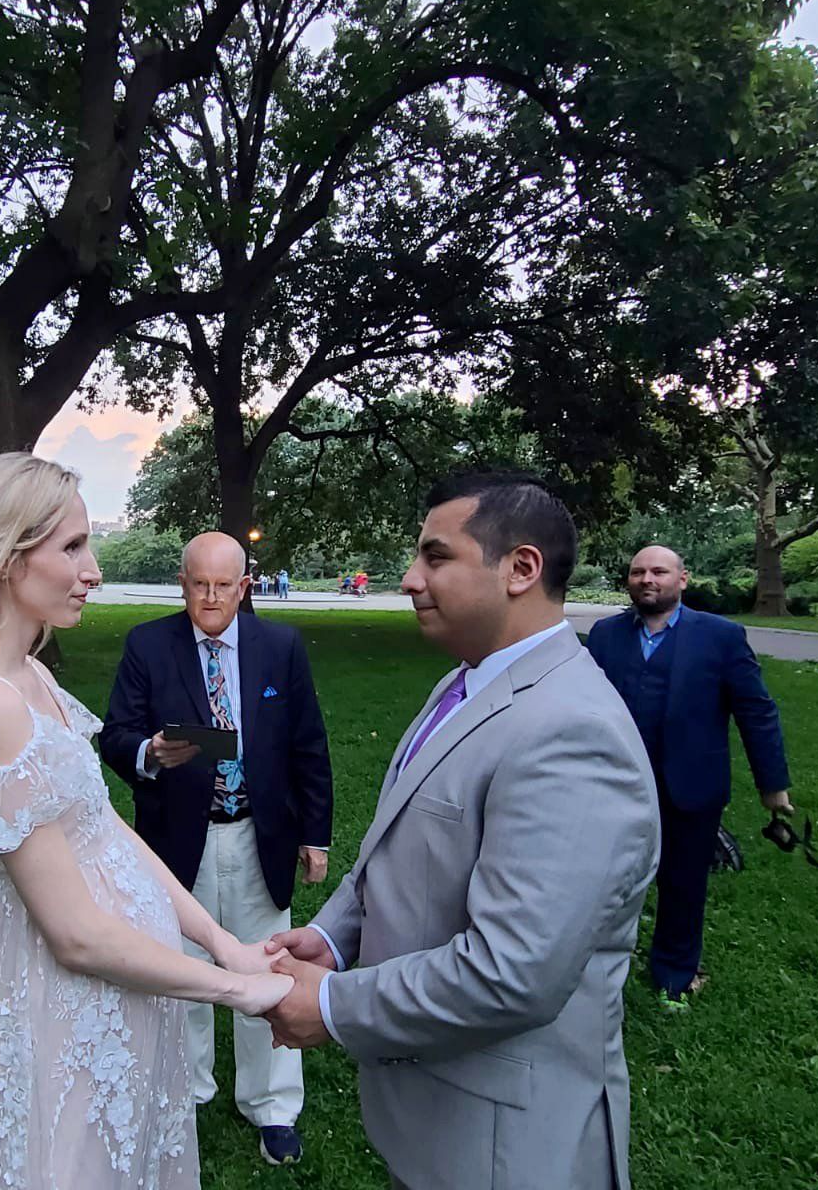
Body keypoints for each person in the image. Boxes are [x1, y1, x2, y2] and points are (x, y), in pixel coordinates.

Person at [0, 455, 292, 1190]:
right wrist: (234, 990)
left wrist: (226, 944)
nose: (92, 570)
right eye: (72, 548)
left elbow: (104, 829)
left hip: (117, 978)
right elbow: (73, 935)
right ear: (2, 556)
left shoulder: (30, 673)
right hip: (43, 988)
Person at [265, 471, 660, 1190]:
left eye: (436, 557)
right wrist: (332, 936)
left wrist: (328, 1004)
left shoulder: (571, 733)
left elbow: (513, 974)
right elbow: (404, 843)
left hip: (506, 1144)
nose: (411, 580)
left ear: (521, 569)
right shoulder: (464, 683)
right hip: (439, 1119)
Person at [100, 532, 333, 1167]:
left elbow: (308, 743)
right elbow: (114, 734)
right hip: (179, 841)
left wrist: (316, 834)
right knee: (185, 968)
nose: (210, 597)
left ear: (244, 586)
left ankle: (273, 1105)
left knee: (267, 965)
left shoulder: (278, 647)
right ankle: (187, 1088)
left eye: (222, 585)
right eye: (198, 584)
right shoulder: (149, 643)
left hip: (262, 834)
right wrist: (149, 751)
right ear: (182, 583)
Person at [586, 545, 793, 1006]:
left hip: (692, 784)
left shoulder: (721, 636)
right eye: (637, 571)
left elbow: (756, 711)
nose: (647, 579)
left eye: (659, 571)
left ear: (683, 579)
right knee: (604, 880)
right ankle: (592, 966)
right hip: (614, 783)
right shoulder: (604, 635)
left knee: (683, 885)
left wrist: (772, 786)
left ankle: (673, 974)